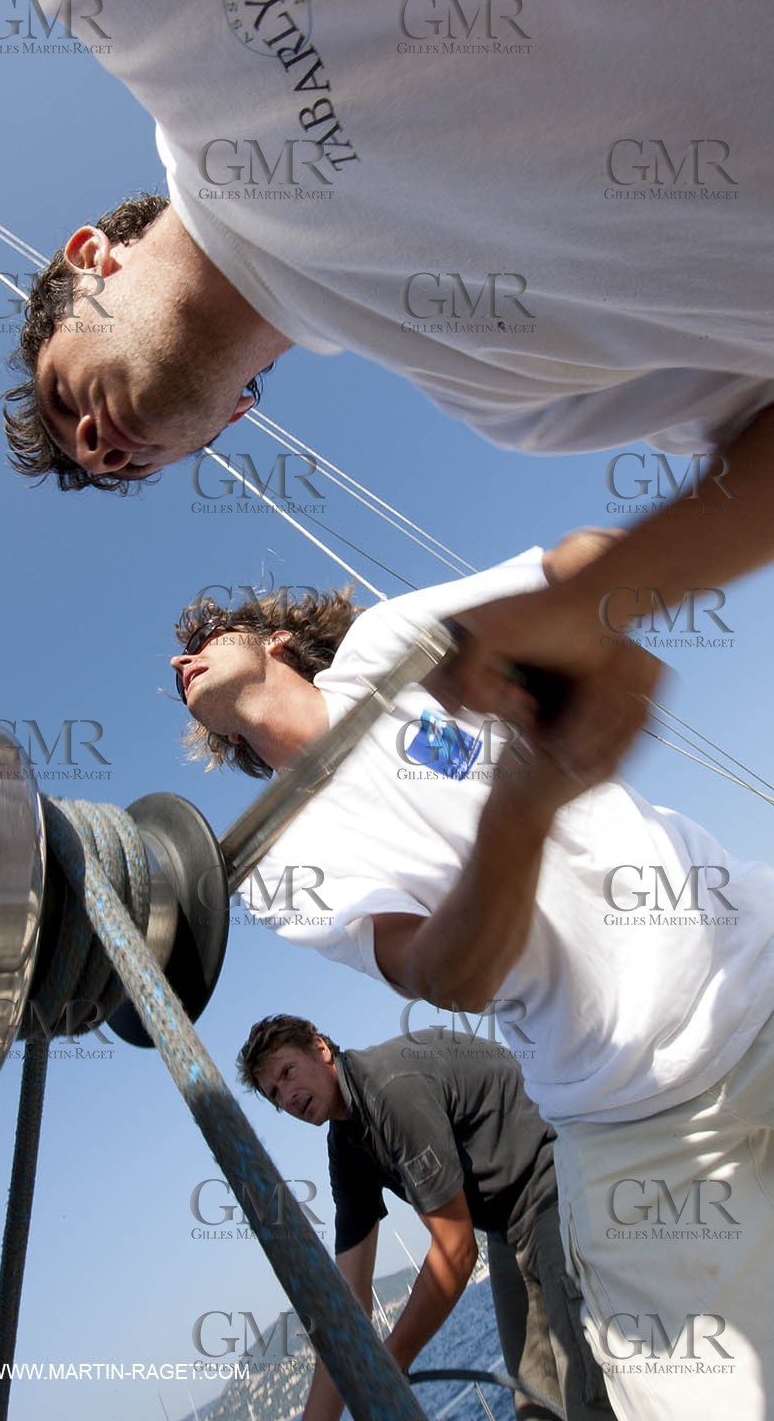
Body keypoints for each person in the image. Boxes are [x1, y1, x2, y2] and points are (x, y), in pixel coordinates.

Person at [0, 0, 774, 789]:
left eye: (64, 397)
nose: (99, 444)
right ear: (225, 424)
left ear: (90, 254)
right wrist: (596, 599)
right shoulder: (511, 397)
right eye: (110, 465)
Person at [169, 532, 774, 1419]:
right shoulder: (271, 865)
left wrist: (591, 623)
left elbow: (576, 564)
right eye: (176, 665)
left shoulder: (386, 647)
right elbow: (443, 972)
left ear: (277, 645)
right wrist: (523, 801)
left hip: (751, 964)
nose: (184, 657)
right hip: (628, 1120)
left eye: (208, 633)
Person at [238, 1015, 612, 1421]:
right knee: (537, 1410)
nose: (287, 1097)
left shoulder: (391, 1091)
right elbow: (347, 1303)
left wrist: (391, 1361)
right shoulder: (346, 1147)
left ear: (320, 1049)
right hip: (506, 1227)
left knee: (588, 1394)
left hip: (556, 1182)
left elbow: (456, 1251)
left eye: (288, 1073)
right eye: (275, 1094)